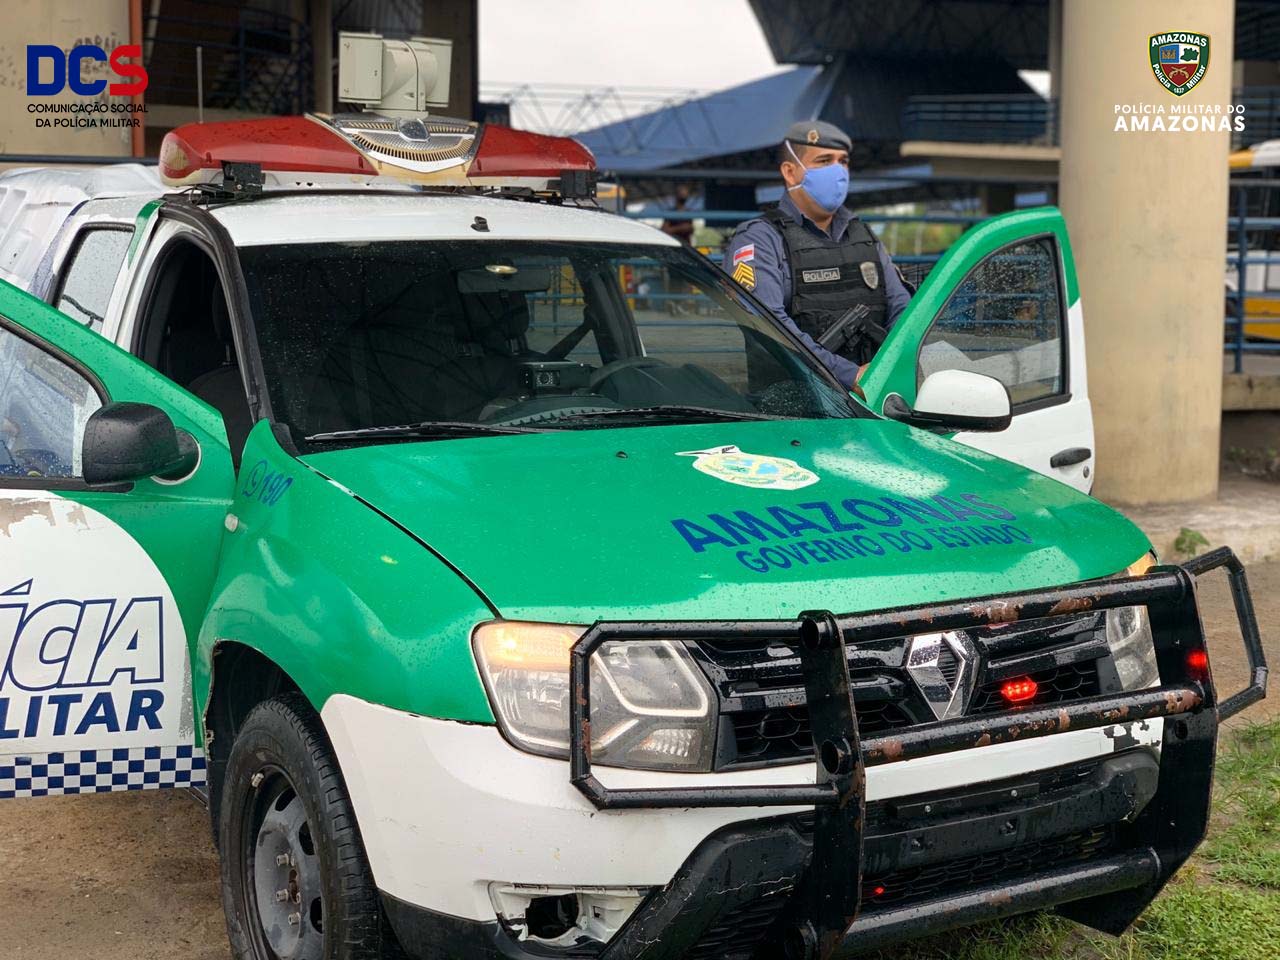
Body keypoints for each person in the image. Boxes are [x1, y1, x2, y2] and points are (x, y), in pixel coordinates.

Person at [725, 121, 911, 389]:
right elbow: (768, 325)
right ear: (790, 172)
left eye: (843, 161)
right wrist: (851, 376)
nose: (838, 171)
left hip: (871, 398)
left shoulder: (864, 235)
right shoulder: (758, 239)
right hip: (792, 405)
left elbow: (902, 310)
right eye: (824, 161)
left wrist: (884, 369)